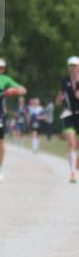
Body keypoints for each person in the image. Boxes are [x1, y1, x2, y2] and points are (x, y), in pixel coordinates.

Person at [56, 55, 79, 184]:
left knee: (77, 145)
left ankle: (76, 162)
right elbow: (60, 95)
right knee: (71, 142)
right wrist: (59, 99)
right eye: (70, 65)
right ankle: (72, 173)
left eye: (75, 65)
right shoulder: (65, 81)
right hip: (68, 113)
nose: (72, 68)